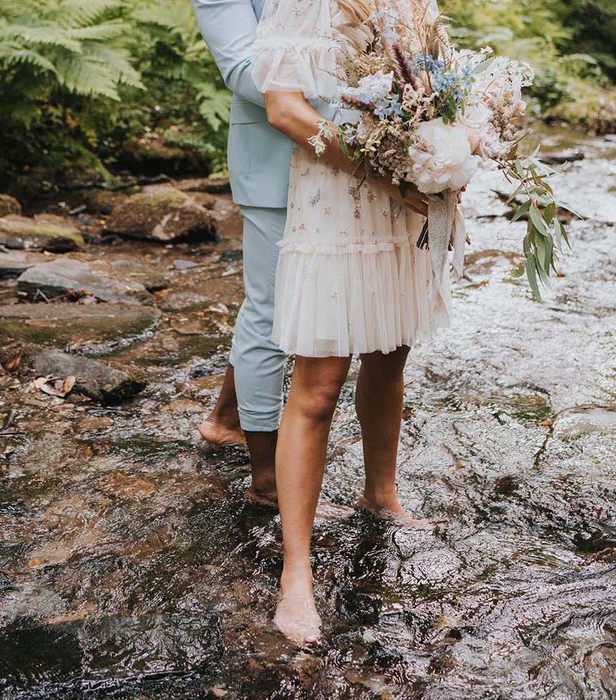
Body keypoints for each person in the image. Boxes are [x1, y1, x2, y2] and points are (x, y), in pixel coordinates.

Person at [250, 0, 453, 644]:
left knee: (391, 352)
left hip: (407, 202)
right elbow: (284, 109)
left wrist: (451, 155)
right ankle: (297, 574)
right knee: (318, 385)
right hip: (337, 198)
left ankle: (381, 495)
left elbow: (439, 93)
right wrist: (374, 167)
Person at [192, 0, 295, 507]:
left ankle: (227, 418)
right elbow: (242, 70)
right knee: (271, 312)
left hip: (360, 161)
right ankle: (268, 482)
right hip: (276, 156)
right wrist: (357, 98)